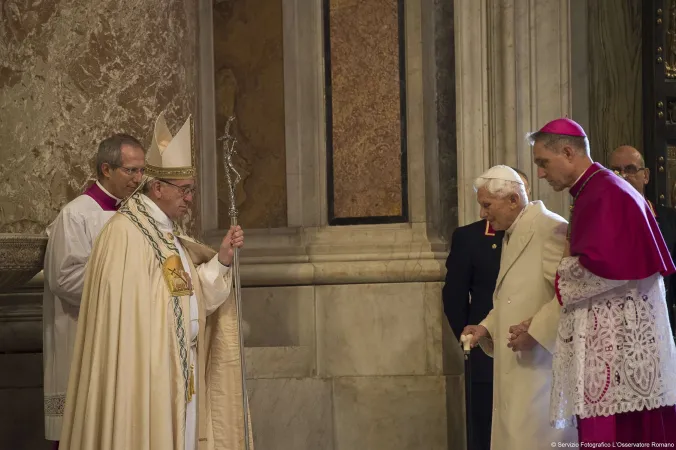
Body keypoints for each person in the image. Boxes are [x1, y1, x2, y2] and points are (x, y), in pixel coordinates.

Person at [59, 113, 253, 450]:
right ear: (159, 188)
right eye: (185, 190)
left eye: (191, 190)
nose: (190, 199)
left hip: (180, 369)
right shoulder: (125, 233)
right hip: (147, 374)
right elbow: (128, 312)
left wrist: (221, 259)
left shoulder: (168, 234)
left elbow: (188, 294)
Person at [529, 118, 676, 444]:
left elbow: (601, 271)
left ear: (567, 152)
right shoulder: (594, 189)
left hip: (616, 349)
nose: (540, 173)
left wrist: (564, 268)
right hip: (611, 344)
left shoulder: (605, 191)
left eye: (543, 163)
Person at [460, 165, 577, 449]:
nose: (482, 215)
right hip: (516, 369)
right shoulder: (513, 231)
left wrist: (535, 331)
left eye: (487, 205)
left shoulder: (551, 228)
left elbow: (570, 295)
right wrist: (485, 327)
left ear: (513, 199)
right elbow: (510, 297)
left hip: (541, 370)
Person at [42, 134, 146, 447]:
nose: (138, 179)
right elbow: (64, 279)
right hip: (81, 335)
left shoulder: (134, 214)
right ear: (106, 169)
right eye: (131, 171)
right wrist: (126, 279)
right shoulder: (76, 215)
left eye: (142, 171)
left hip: (120, 339)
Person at [442, 168, 530, 450]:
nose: (484, 213)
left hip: (533, 348)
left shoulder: (547, 231)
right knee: (485, 429)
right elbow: (454, 296)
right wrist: (471, 339)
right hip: (487, 351)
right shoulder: (469, 238)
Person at [609, 145, 676, 339]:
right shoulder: (598, 221)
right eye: (615, 171)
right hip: (614, 329)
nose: (623, 176)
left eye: (630, 169)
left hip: (660, 326)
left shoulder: (670, 219)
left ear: (645, 175)